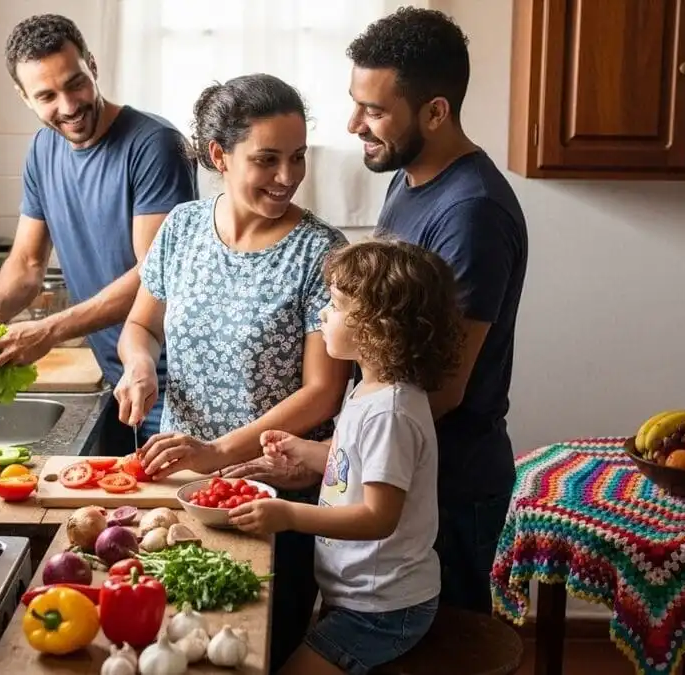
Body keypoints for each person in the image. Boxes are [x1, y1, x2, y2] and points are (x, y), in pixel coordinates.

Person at [113, 73, 353, 671]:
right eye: (267, 159)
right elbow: (141, 326)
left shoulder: (320, 251)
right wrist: (139, 366)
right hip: (184, 490)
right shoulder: (182, 229)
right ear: (219, 156)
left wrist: (217, 451)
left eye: (296, 158)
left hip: (277, 493)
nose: (287, 176)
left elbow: (323, 393)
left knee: (259, 655)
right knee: (178, 645)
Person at [344, 7, 529, 615]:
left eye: (374, 111)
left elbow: (444, 388)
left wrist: (338, 452)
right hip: (403, 470)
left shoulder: (472, 213)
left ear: (436, 111)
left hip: (451, 489)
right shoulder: (409, 177)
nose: (355, 124)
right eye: (356, 103)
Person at [0, 14, 198, 444]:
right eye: (47, 95)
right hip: (119, 374)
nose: (68, 106)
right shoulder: (42, 149)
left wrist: (50, 330)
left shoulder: (154, 145)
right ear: (24, 97)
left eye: (75, 83)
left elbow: (154, 276)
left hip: (177, 379)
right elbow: (28, 263)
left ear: (93, 64)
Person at [229, 239, 464, 675]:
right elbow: (354, 466)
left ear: (380, 326)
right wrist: (303, 450)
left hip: (384, 609)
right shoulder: (367, 391)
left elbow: (378, 516)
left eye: (335, 305)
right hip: (359, 596)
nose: (323, 313)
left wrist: (289, 515)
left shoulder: (391, 413)